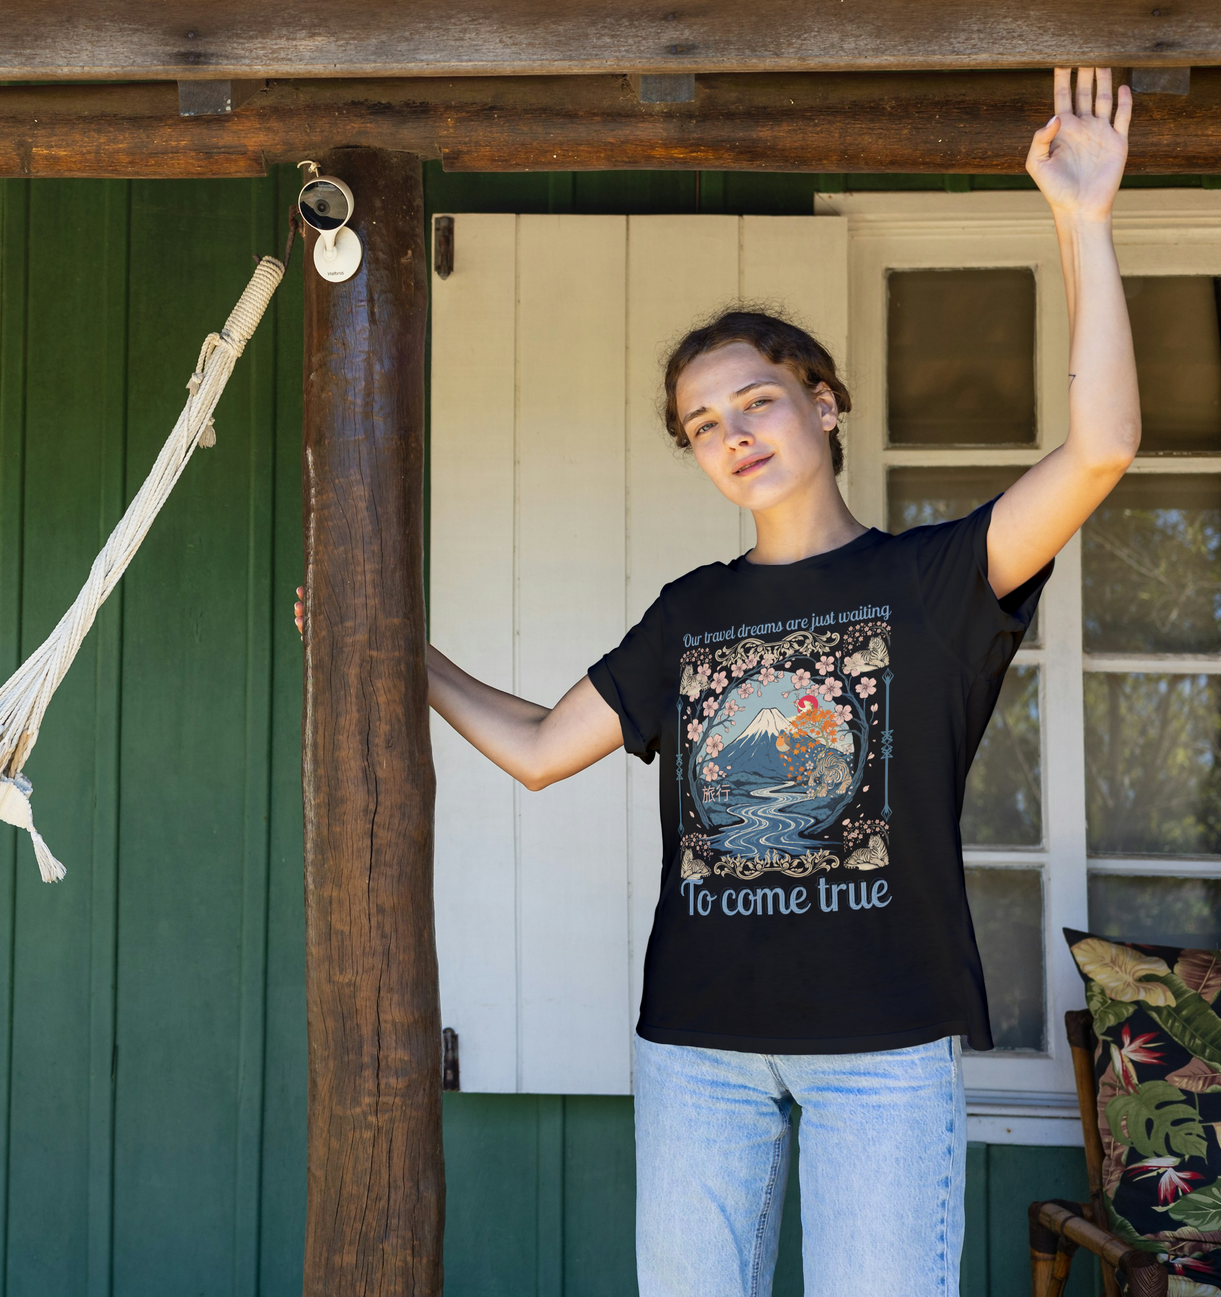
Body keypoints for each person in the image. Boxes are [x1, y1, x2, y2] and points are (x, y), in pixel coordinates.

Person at [296, 66, 1138, 1296]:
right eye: (702, 423)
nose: (733, 432)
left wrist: (1081, 219)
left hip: (881, 1046)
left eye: (756, 400)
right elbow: (536, 747)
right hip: (696, 1047)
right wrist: (394, 650)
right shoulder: (690, 613)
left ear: (822, 404)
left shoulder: (931, 581)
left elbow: (1101, 446)